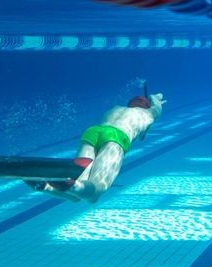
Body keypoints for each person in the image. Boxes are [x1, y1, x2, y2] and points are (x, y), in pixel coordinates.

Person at [32, 87, 165, 204]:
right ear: (146, 106)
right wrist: (157, 98)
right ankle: (71, 186)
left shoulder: (115, 109)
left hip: (93, 132)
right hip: (116, 136)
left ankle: (45, 186)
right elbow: (157, 106)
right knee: (96, 190)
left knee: (78, 192)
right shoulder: (147, 114)